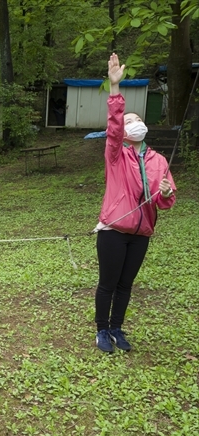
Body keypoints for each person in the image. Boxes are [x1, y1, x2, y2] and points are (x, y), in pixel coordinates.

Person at [94, 53, 176, 353]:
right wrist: (115, 90)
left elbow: (166, 201)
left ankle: (117, 328)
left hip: (141, 234)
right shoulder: (115, 154)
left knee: (125, 285)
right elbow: (114, 127)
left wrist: (166, 195)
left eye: (137, 118)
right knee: (108, 283)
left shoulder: (158, 161)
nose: (134, 122)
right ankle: (102, 330)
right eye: (129, 120)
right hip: (113, 231)